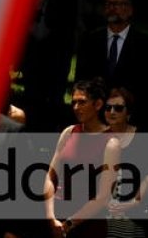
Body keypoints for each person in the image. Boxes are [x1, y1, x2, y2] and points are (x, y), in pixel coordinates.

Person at [74, 0, 148, 130]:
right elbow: (81, 80)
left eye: (117, 4)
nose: (112, 8)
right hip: (96, 119)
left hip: (132, 121)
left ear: (129, 9)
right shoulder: (90, 40)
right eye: (108, 4)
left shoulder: (146, 45)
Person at [44, 79, 112, 238]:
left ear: (98, 105)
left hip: (87, 224)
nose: (76, 107)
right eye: (73, 102)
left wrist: (69, 224)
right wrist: (50, 216)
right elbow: (50, 177)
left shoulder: (110, 142)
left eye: (82, 102)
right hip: (57, 217)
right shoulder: (69, 132)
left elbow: (103, 196)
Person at [103, 89, 148, 238]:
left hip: (133, 212)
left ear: (128, 112)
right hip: (102, 212)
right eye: (108, 108)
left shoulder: (142, 138)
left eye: (118, 108)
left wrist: (134, 202)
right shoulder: (99, 137)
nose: (112, 112)